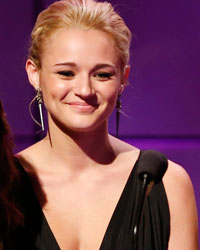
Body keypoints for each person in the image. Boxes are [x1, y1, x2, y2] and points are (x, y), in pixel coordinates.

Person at [3, 0, 198, 249]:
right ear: (35, 74)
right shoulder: (5, 185)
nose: (84, 90)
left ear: (123, 79)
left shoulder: (166, 183)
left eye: (102, 74)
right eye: (66, 73)